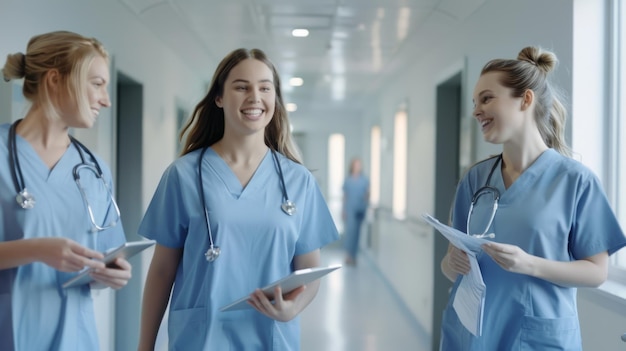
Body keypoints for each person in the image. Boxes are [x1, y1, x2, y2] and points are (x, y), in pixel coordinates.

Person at [137, 48, 339, 350]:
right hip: (201, 338)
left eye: (265, 88)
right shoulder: (183, 175)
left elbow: (309, 270)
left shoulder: (299, 181)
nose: (254, 97)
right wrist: (145, 346)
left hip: (271, 337)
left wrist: (293, 308)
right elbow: (163, 269)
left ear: (275, 100)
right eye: (241, 86)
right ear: (219, 97)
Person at [439, 46, 626, 350]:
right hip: (472, 334)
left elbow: (596, 272)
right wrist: (451, 261)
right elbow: (449, 266)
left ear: (525, 99)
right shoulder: (476, 179)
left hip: (536, 335)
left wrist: (529, 264)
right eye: (475, 102)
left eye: (487, 99)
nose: (475, 111)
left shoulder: (576, 181)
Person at [0, 30, 132, 350]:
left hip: (76, 337)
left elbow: (109, 250)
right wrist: (36, 249)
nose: (106, 99)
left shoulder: (95, 170)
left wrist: (112, 274)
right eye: (97, 84)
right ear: (55, 79)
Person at [342, 157, 369, 265]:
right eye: (356, 164)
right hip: (350, 209)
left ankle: (354, 256)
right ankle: (348, 255)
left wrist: (365, 203)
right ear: (352, 166)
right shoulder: (348, 180)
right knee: (350, 233)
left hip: (360, 209)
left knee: (357, 234)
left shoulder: (364, 180)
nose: (358, 166)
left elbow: (367, 194)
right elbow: (345, 196)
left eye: (359, 164)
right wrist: (343, 210)